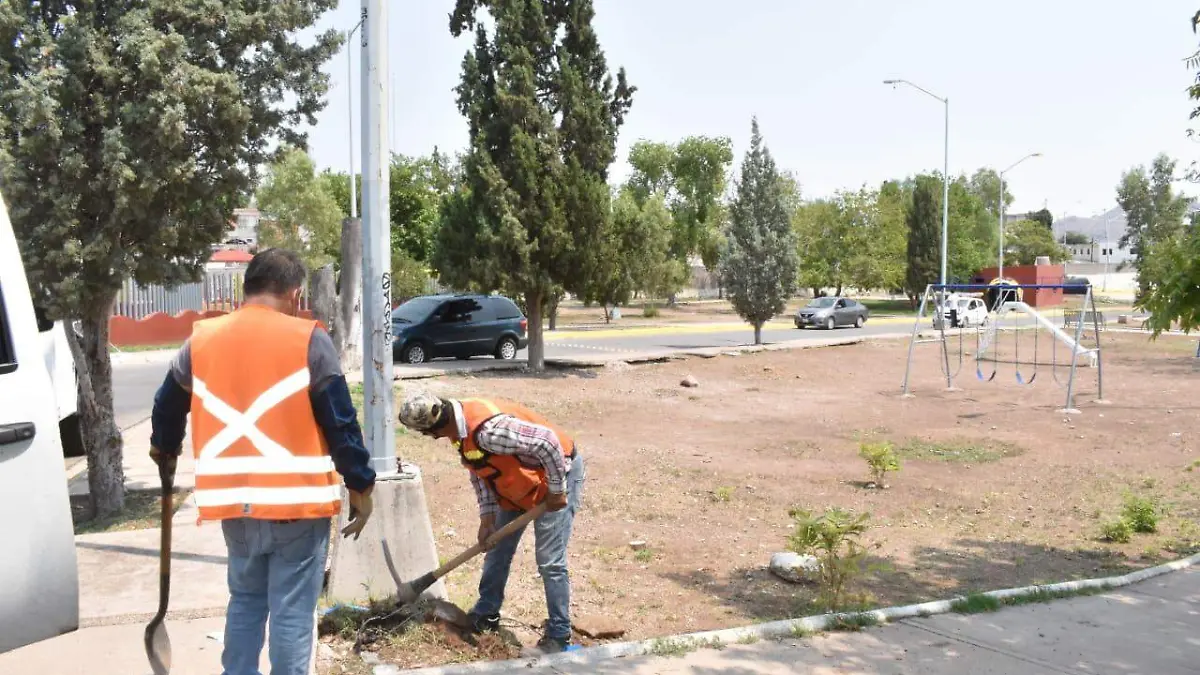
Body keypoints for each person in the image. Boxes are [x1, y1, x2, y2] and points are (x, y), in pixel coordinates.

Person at [149, 248, 377, 675]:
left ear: (246, 288)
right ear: (295, 293)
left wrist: (164, 450)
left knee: (246, 602)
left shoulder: (200, 340)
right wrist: (360, 484)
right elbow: (341, 423)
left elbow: (166, 406)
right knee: (291, 613)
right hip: (297, 508)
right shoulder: (309, 339)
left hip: (235, 507)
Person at [397, 392, 586, 653]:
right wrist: (487, 518)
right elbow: (480, 470)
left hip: (555, 475)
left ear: (433, 429)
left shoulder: (491, 431)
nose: (428, 437)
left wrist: (556, 489)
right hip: (517, 485)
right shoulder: (459, 431)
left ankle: (559, 633)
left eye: (425, 432)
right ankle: (487, 613)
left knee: (549, 560)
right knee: (496, 548)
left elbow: (549, 442)